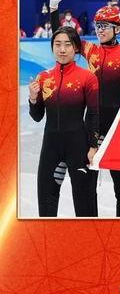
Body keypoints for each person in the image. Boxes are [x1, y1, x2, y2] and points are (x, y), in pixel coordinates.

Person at [50, 0, 120, 217]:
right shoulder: (90, 50)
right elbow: (61, 35)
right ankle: (91, 221)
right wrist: (53, 9)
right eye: (97, 26)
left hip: (115, 127)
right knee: (87, 178)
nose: (100, 30)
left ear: (117, 29)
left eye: (105, 26)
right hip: (90, 125)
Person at [28, 26, 98, 217]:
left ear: (75, 48)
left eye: (67, 44)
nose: (62, 49)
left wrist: (93, 147)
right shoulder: (43, 78)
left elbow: (93, 114)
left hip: (79, 146)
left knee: (85, 205)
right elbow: (37, 116)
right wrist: (33, 98)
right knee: (46, 202)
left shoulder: (87, 77)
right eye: (58, 44)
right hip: (51, 146)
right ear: (52, 48)